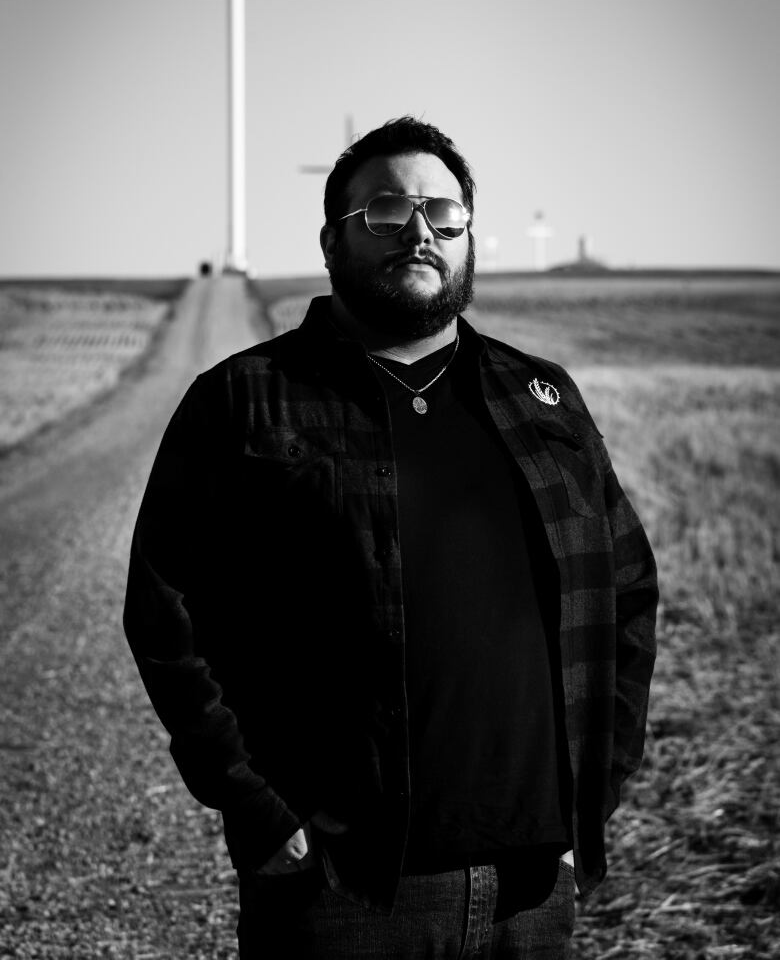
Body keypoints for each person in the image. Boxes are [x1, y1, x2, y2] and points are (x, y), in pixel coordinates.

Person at [124, 116, 658, 959]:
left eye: (444, 214)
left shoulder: (542, 399)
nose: (419, 231)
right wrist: (257, 807)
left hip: (533, 892)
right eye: (386, 211)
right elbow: (165, 608)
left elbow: (627, 593)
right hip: (343, 890)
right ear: (332, 240)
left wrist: (594, 792)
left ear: (467, 238)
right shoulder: (245, 400)